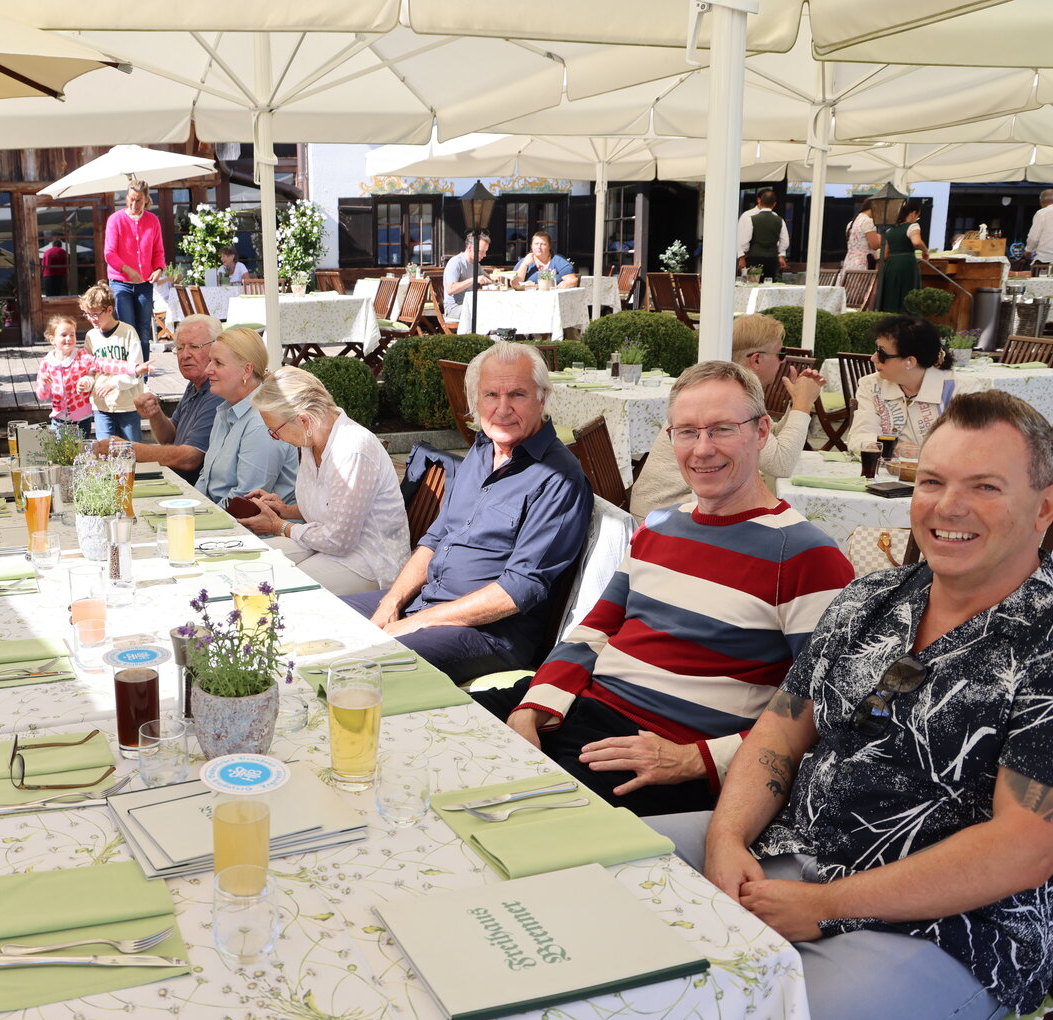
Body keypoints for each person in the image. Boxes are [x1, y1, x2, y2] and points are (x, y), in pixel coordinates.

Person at [646, 390, 1053, 1020]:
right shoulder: (873, 598)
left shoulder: (1042, 639)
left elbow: (1025, 845)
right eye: (932, 481)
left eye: (985, 486)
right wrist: (725, 837)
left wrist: (827, 904)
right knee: (594, 879)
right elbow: (780, 732)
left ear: (1044, 508)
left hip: (947, 927)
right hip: (790, 849)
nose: (948, 506)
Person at [499, 361, 853, 816]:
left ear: (762, 432)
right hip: (578, 709)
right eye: (687, 432)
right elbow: (594, 629)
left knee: (519, 818)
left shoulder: (808, 557)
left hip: (662, 752)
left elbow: (827, 709)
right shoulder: (660, 526)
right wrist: (535, 705)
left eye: (722, 429)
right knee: (434, 727)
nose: (702, 449)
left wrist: (696, 760)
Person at [341, 343, 592, 683]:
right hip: (427, 603)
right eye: (491, 395)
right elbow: (435, 538)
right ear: (476, 400)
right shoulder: (482, 449)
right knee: (320, 619)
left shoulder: (559, 478)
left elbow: (520, 588)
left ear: (542, 398)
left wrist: (418, 622)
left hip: (489, 633)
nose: (502, 408)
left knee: (372, 666)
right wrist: (391, 602)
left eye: (517, 394)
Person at [628, 314, 825, 521]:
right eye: (781, 353)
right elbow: (781, 463)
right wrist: (803, 404)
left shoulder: (731, 387)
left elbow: (769, 437)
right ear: (757, 359)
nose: (783, 361)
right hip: (663, 515)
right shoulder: (727, 395)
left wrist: (797, 402)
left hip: (678, 507)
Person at [236, 367, 410, 594]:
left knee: (277, 586)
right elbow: (330, 508)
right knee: (248, 565)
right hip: (327, 544)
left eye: (275, 431)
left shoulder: (351, 450)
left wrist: (280, 527)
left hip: (370, 560)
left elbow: (339, 540)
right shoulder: (312, 438)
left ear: (304, 420)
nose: (276, 439)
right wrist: (286, 510)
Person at [92, 314, 224, 482]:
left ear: (216, 349)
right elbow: (170, 439)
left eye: (194, 346)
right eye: (180, 348)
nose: (185, 355)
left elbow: (189, 458)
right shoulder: (194, 385)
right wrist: (155, 414)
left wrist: (126, 449)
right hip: (174, 481)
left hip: (194, 490)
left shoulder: (217, 392)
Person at [195, 327, 299, 507]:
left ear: (246, 370)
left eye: (218, 363)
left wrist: (201, 516)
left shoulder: (263, 421)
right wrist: (192, 506)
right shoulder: (225, 410)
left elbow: (245, 500)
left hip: (252, 522)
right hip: (220, 514)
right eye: (210, 361)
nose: (208, 370)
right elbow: (206, 477)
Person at [848, 314, 980, 453]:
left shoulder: (962, 391)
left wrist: (923, 452)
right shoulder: (871, 385)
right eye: (876, 349)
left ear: (910, 362)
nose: (873, 358)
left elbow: (971, 446)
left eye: (882, 354)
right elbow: (861, 433)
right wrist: (874, 446)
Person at [35, 312, 152, 438]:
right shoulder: (47, 363)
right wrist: (44, 384)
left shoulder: (82, 357)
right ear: (52, 339)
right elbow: (42, 396)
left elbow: (106, 364)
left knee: (81, 450)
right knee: (56, 451)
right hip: (58, 421)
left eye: (72, 334)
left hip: (81, 420)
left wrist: (135, 368)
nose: (69, 338)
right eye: (63, 335)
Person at [103, 178, 165, 362]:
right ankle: (129, 371)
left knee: (144, 330)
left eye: (139, 200)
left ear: (146, 200)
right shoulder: (115, 220)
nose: (134, 204)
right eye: (131, 199)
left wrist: (159, 269)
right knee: (128, 328)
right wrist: (127, 270)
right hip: (120, 284)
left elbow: (158, 251)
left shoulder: (153, 221)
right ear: (126, 197)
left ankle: (143, 375)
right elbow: (109, 253)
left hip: (144, 284)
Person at [78, 283, 147, 442]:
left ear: (110, 310)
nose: (91, 319)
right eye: (88, 314)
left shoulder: (128, 332)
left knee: (132, 450)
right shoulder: (91, 336)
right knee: (104, 451)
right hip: (101, 406)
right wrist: (86, 382)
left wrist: (113, 384)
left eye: (95, 314)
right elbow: (90, 371)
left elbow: (136, 371)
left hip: (127, 406)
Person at [875, 199, 928, 313]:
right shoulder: (913, 226)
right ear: (913, 213)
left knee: (891, 293)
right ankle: (907, 319)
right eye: (918, 216)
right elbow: (917, 242)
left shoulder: (890, 231)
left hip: (891, 265)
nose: (917, 219)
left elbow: (885, 255)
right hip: (906, 264)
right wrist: (926, 251)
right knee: (907, 294)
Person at [441, 230, 494, 323]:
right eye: (482, 251)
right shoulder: (456, 262)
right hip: (454, 308)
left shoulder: (476, 264)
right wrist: (474, 279)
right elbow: (450, 289)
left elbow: (489, 279)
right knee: (484, 311)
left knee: (493, 308)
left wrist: (497, 278)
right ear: (470, 247)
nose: (485, 255)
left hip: (469, 305)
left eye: (486, 252)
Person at [737, 190, 790, 281]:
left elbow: (744, 240)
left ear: (760, 201)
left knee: (753, 283)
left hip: (754, 258)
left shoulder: (751, 219)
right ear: (774, 204)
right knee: (769, 283)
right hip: (772, 258)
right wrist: (779, 252)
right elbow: (785, 242)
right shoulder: (779, 220)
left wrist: (744, 254)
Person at [511, 231, 579, 289]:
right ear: (531, 246)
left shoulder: (558, 260)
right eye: (536, 244)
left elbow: (572, 280)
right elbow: (515, 284)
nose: (539, 247)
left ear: (549, 246)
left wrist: (567, 283)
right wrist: (525, 264)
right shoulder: (524, 261)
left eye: (543, 244)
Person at [842, 198, 880, 273]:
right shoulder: (868, 221)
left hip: (850, 261)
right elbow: (874, 245)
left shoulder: (851, 223)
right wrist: (882, 238)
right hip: (863, 263)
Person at [1025, 188, 1053, 265]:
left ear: (1041, 202)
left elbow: (1033, 238)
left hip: (1046, 259)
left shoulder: (1042, 213)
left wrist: (1028, 250)